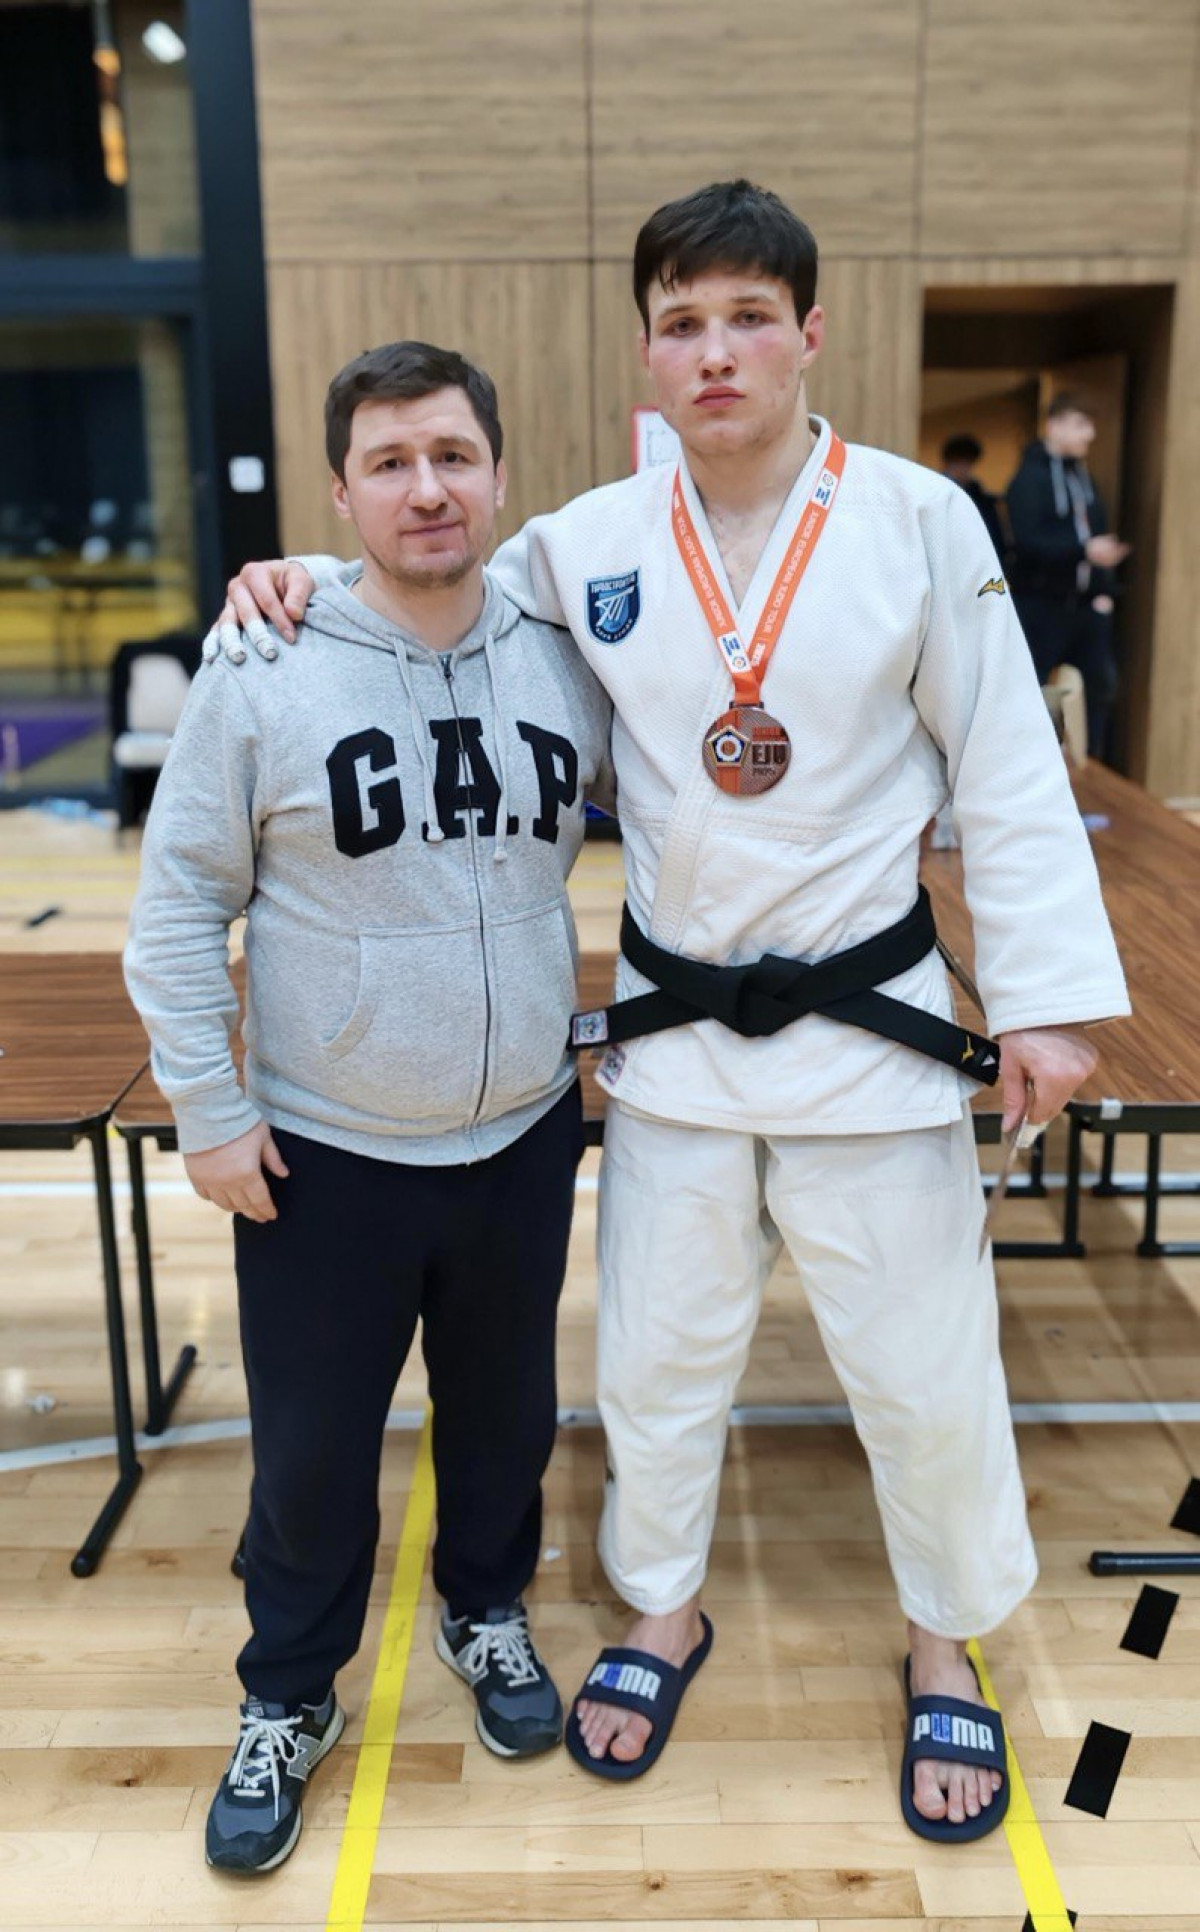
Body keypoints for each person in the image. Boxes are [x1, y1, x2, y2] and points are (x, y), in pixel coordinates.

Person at [209, 180, 1129, 1845]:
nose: (716, 352)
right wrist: (298, 576)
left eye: (748, 318)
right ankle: (662, 1610)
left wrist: (1050, 1002)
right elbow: (433, 601)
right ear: (647, 349)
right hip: (676, 1035)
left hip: (871, 1027)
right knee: (656, 1360)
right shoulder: (585, 545)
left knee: (923, 1367)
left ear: (808, 333)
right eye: (683, 322)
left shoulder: (920, 519)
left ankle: (947, 1642)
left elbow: (1005, 759)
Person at [125, 341, 613, 1876]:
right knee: (314, 1453)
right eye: (390, 463)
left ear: (500, 475)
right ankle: (287, 1694)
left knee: (506, 1416)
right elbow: (175, 906)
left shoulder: (565, 653)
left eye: (452, 455)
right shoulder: (265, 662)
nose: (427, 488)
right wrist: (209, 1109)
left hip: (522, 1133)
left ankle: (488, 1612)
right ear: (340, 495)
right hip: (323, 1150)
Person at [1007, 394, 1130, 761]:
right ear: (1054, 426)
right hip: (1040, 603)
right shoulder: (1030, 478)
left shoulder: (1082, 476)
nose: (1089, 434)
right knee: (1032, 687)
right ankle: (1033, 765)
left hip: (1085, 605)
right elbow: (1028, 542)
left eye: (1090, 425)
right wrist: (1083, 551)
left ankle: (1087, 763)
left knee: (1100, 684)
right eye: (1080, 424)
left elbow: (1095, 529)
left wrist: (1103, 591)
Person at [939, 432, 1006, 562]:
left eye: (968, 463)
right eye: (958, 462)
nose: (963, 468)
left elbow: (994, 537)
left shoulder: (980, 498)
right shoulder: (936, 493)